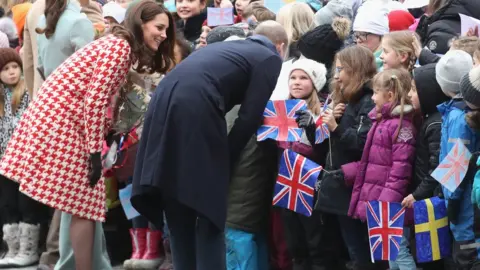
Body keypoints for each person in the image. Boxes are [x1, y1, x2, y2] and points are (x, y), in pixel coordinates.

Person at [0, 2, 176, 270]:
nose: (164, 34)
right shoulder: (120, 47)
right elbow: (94, 100)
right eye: (159, 27)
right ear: (140, 23)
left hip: (59, 117)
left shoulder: (116, 43)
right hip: (64, 120)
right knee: (83, 205)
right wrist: (95, 151)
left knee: (83, 205)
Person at [131, 20, 287, 270]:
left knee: (176, 198)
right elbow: (249, 117)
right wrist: (226, 158)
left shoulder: (226, 51)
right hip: (196, 103)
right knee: (208, 210)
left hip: (164, 100)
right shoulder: (269, 59)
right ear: (280, 48)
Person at [342, 68, 417, 270]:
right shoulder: (381, 122)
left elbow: (400, 170)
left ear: (390, 96)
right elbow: (374, 161)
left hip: (391, 204)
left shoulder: (401, 127)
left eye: (376, 92)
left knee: (399, 252)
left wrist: (385, 204)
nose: (372, 97)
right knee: (390, 254)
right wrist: (348, 172)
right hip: (382, 200)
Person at [315, 45, 377, 270]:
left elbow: (363, 143)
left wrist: (336, 127)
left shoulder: (368, 100)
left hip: (355, 186)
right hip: (342, 184)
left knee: (360, 249)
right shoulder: (347, 99)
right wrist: (334, 120)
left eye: (341, 69)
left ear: (355, 70)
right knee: (348, 247)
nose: (336, 75)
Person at [0, 48, 45, 268]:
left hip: (24, 159)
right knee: (8, 204)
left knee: (26, 202)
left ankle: (29, 248)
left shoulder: (27, 92)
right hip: (3, 160)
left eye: (14, 67)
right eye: (6, 69)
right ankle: (13, 247)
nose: (11, 73)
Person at [402, 63, 450, 270]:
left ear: (429, 93)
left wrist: (418, 194)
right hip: (427, 198)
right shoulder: (430, 118)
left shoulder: (436, 125)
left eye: (414, 89)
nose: (410, 95)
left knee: (432, 257)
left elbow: (439, 167)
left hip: (431, 201)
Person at [436, 50, 478, 269]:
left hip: (465, 207)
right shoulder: (457, 113)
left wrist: (451, 201)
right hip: (467, 201)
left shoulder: (459, 119)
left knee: (466, 257)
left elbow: (457, 164)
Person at [352, 0, 389, 71]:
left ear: (380, 35)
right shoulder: (355, 61)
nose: (358, 40)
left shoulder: (388, 68)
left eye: (363, 35)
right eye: (356, 36)